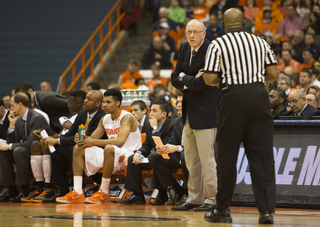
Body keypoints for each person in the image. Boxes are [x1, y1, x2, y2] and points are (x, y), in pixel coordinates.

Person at [203, 8, 278, 224]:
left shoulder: (218, 43)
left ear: (224, 25)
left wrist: (227, 80)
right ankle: (266, 212)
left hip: (232, 97)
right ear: (244, 22)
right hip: (259, 95)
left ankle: (223, 210)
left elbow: (208, 78)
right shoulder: (260, 42)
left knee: (226, 156)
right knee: (262, 156)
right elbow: (273, 74)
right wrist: (253, 79)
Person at [56, 89, 141, 203]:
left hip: (130, 155)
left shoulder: (127, 117)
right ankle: (77, 192)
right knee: (78, 148)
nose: (104, 105)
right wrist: (82, 140)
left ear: (117, 103)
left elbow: (120, 141)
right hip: (111, 154)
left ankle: (104, 192)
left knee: (109, 148)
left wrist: (92, 142)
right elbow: (92, 139)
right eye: (104, 102)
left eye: (108, 102)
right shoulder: (105, 118)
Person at [171, 19, 219, 212]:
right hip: (189, 111)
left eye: (195, 32)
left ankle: (212, 198)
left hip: (207, 111)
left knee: (206, 157)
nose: (191, 35)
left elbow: (202, 84)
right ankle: (194, 197)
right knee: (190, 158)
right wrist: (186, 78)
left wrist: (184, 77)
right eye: (188, 32)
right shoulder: (184, 48)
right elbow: (174, 78)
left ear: (203, 33)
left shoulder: (211, 49)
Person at [39, 90, 107, 201]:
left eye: (89, 99)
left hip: (96, 150)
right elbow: (70, 134)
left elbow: (84, 139)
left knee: (74, 149)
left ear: (98, 104)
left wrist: (56, 141)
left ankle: (78, 189)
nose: (85, 101)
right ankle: (63, 189)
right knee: (57, 149)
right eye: (85, 98)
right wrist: (51, 140)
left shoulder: (102, 116)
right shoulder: (82, 114)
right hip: (82, 149)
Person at [0, 92, 53, 202]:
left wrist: (9, 146)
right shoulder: (19, 119)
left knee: (18, 150)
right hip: (25, 152)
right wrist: (11, 125)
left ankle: (24, 190)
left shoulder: (36, 118)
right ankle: (11, 189)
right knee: (3, 152)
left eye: (12, 105)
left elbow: (29, 143)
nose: (11, 108)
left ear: (20, 104)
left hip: (40, 153)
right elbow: (13, 141)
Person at [119, 100, 173, 205]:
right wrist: (139, 152)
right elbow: (147, 145)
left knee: (155, 157)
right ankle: (137, 195)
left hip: (168, 157)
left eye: (154, 111)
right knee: (132, 159)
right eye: (150, 111)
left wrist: (155, 128)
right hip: (154, 156)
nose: (151, 114)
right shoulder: (149, 125)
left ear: (164, 114)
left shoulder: (171, 125)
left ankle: (162, 193)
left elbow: (163, 147)